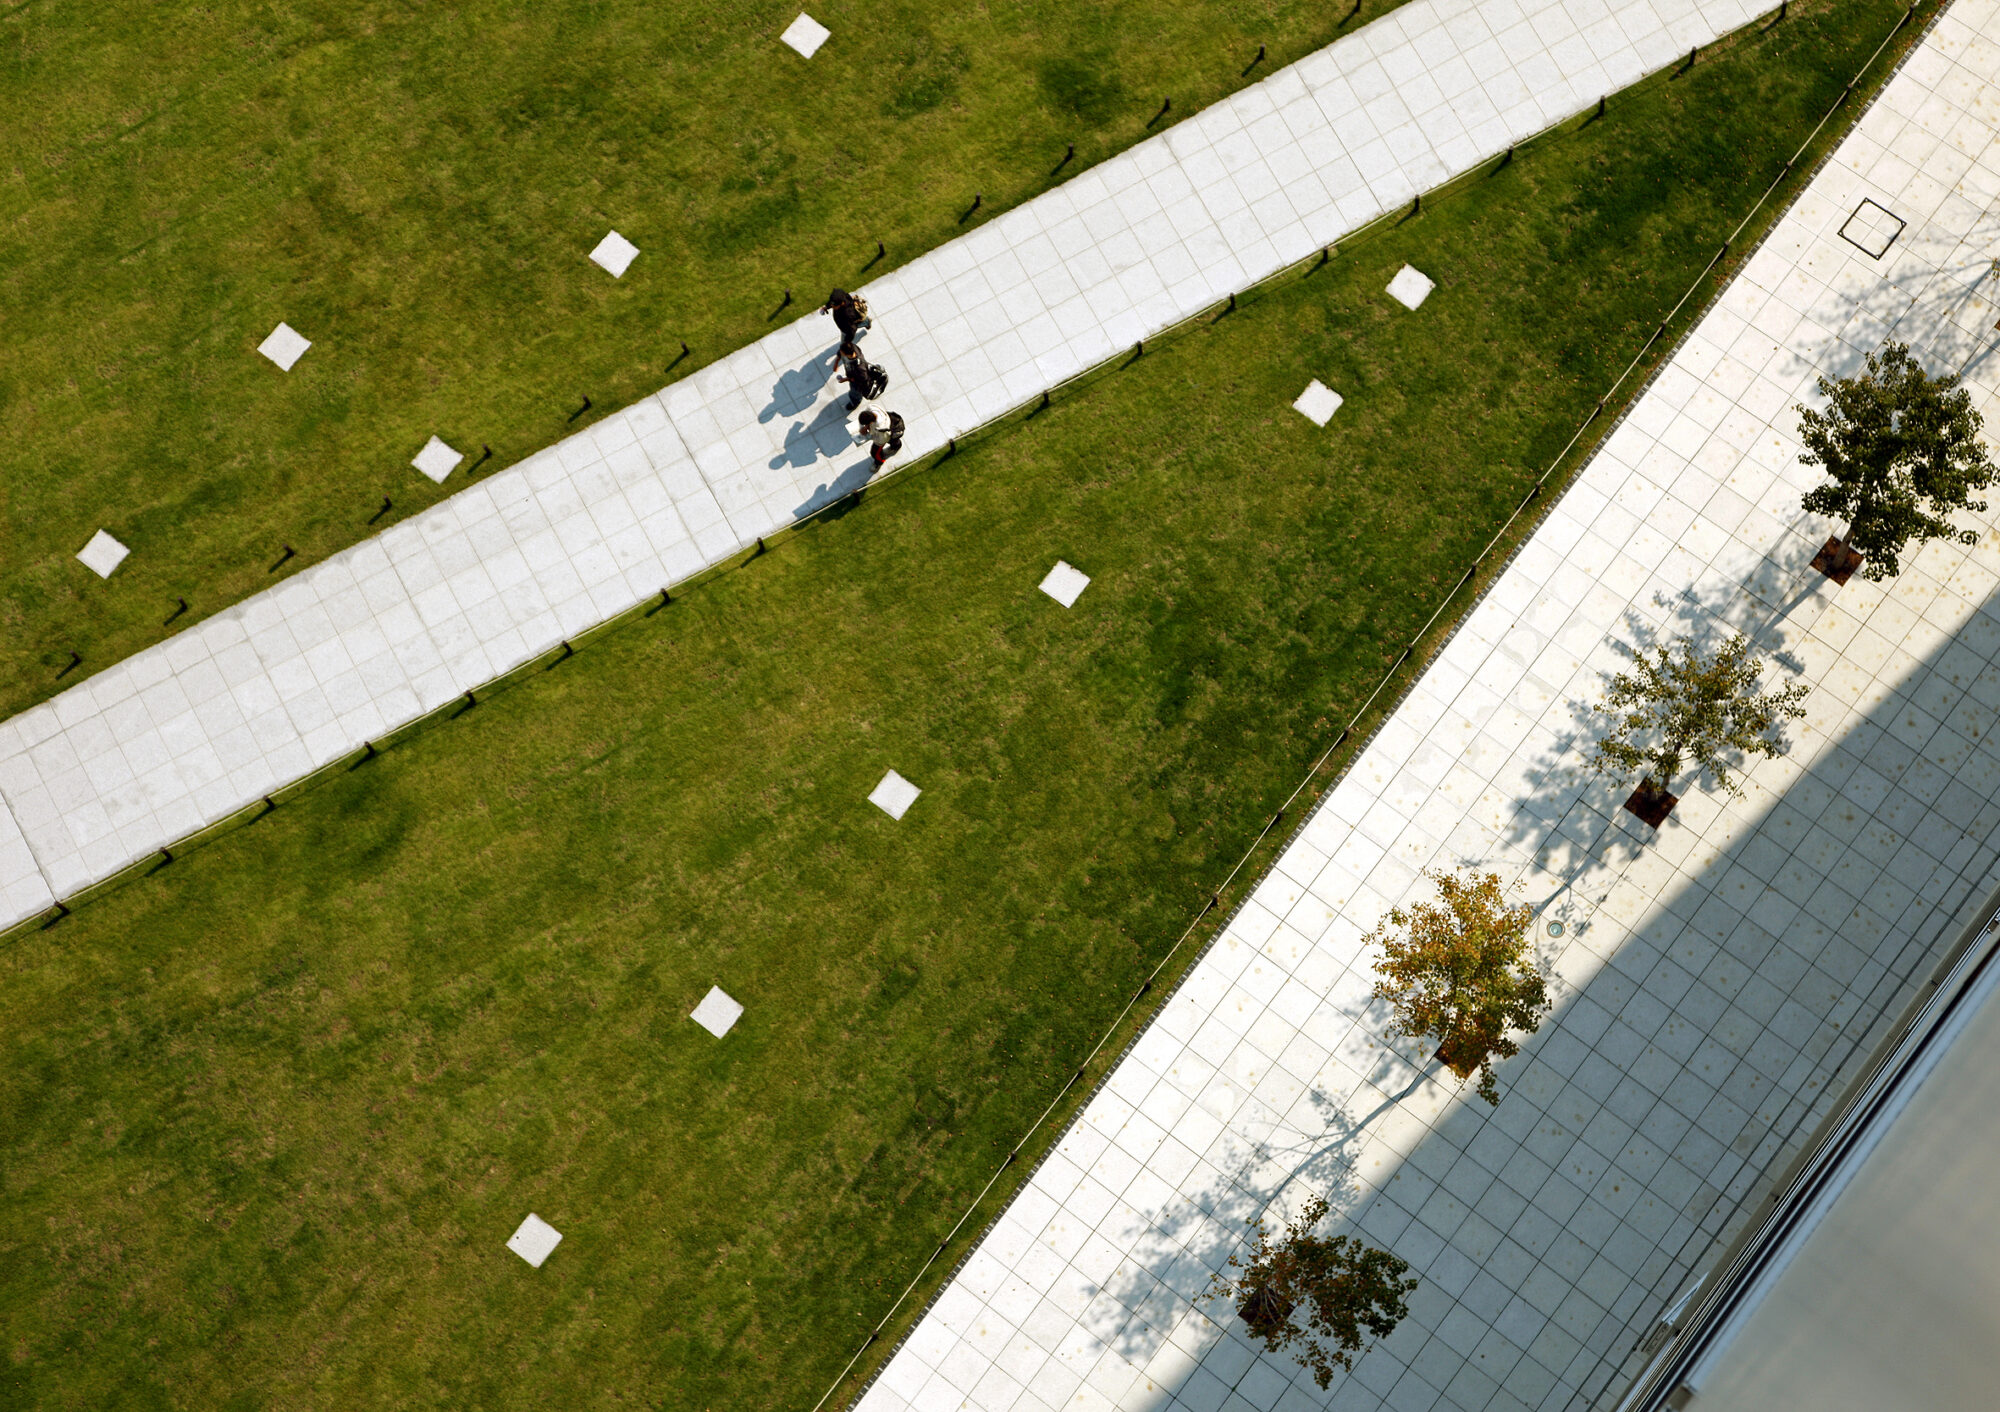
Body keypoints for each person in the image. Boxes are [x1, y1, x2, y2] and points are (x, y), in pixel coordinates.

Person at [834, 341, 871, 411]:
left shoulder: (859, 367)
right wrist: (836, 362)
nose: (840, 352)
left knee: (855, 393)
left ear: (847, 354)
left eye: (842, 352)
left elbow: (863, 378)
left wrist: (846, 379)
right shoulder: (852, 347)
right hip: (853, 374)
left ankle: (855, 402)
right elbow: (840, 352)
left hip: (857, 384)